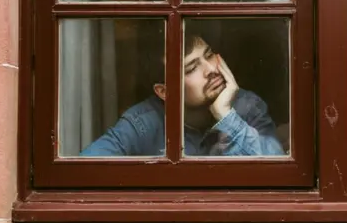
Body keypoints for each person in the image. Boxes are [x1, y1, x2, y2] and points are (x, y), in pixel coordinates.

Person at [79, 33, 284, 157]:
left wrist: (226, 116)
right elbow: (83, 171)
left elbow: (278, 170)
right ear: (164, 92)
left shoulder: (247, 106)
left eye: (209, 55)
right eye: (191, 68)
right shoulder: (143, 123)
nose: (211, 69)